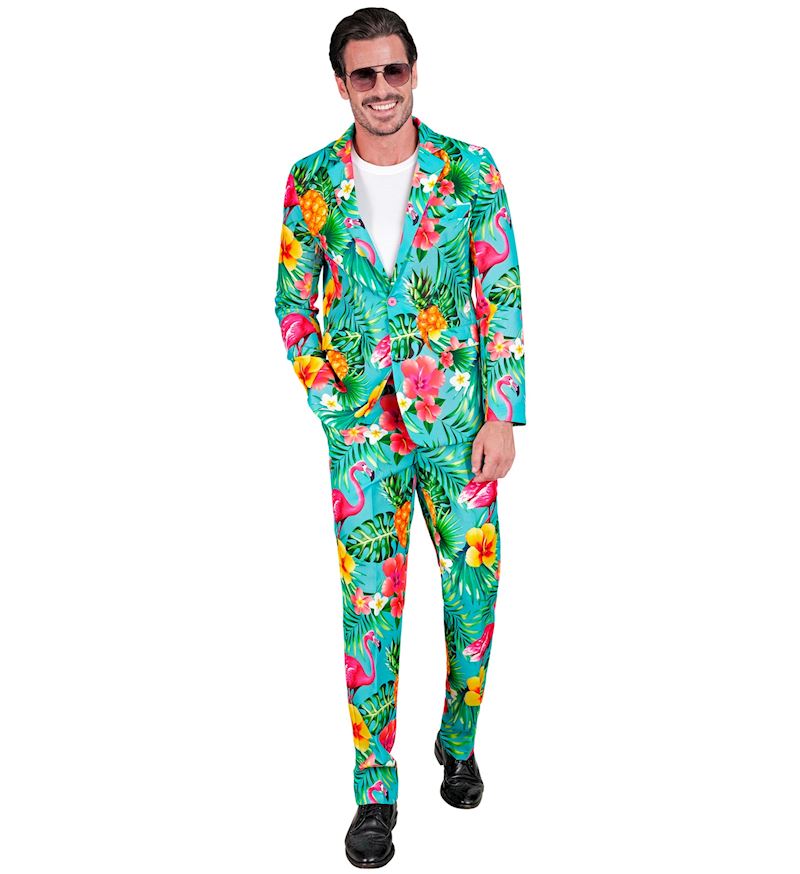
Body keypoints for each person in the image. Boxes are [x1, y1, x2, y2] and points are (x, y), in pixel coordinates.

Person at [274, 7, 527, 868]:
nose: (380, 89)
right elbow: (292, 302)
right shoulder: (311, 180)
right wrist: (332, 403)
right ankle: (375, 792)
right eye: (364, 75)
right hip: (364, 439)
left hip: (460, 426)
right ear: (341, 84)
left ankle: (458, 740)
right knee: (369, 610)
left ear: (413, 72)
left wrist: (502, 413)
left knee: (472, 598)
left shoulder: (470, 169)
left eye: (393, 71)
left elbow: (501, 292)